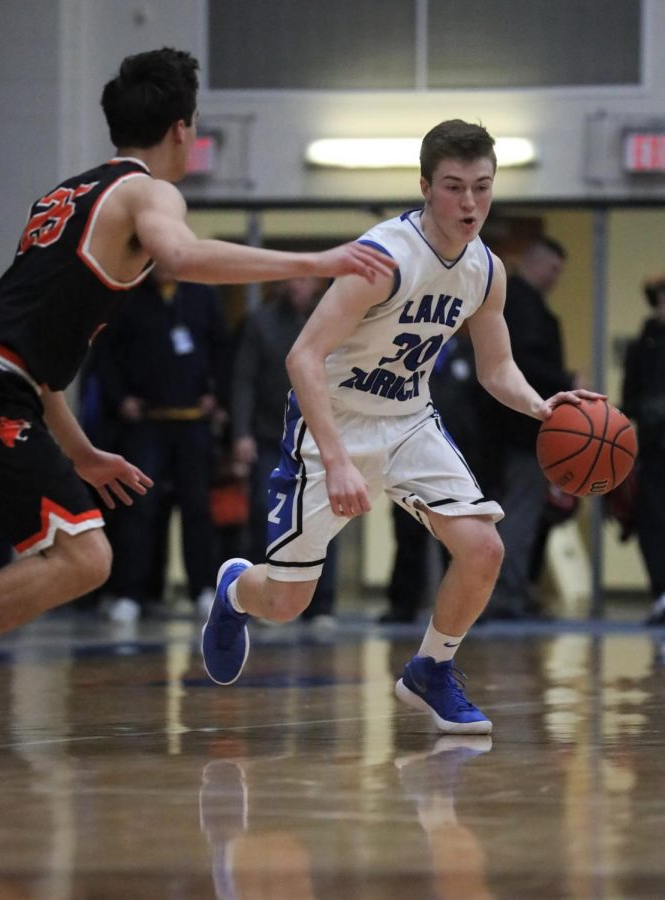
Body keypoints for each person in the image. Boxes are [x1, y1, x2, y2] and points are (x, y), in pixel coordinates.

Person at [0, 47, 396, 647]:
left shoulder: (64, 198)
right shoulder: (148, 194)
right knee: (85, 558)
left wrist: (83, 452)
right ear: (182, 129)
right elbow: (181, 256)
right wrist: (314, 258)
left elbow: (31, 365)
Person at [201, 119, 603, 734]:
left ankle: (430, 669)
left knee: (482, 547)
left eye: (482, 187)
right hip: (332, 422)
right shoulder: (382, 260)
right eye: (453, 187)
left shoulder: (487, 271)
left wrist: (544, 407)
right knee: (287, 601)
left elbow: (498, 370)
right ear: (424, 186)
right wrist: (336, 460)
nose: (470, 203)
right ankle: (234, 590)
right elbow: (301, 358)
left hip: (410, 420)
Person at [90, 269, 229, 623]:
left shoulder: (201, 295)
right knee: (139, 510)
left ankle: (203, 590)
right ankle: (130, 594)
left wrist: (218, 396)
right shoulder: (127, 296)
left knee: (197, 509)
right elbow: (104, 354)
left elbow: (221, 349)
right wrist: (120, 399)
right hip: (146, 423)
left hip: (192, 422)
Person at [231, 276, 338, 627]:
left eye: (306, 282)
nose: (301, 287)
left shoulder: (333, 317)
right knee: (267, 511)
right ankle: (266, 596)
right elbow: (243, 379)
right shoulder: (260, 322)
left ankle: (322, 606)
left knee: (326, 517)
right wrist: (241, 432)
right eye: (294, 280)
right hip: (269, 436)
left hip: (317, 438)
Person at [483, 237, 577, 620]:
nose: (556, 278)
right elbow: (518, 364)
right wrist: (565, 380)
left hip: (517, 426)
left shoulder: (519, 304)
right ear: (535, 263)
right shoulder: (519, 306)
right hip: (518, 428)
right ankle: (506, 594)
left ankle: (513, 589)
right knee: (517, 513)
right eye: (553, 269)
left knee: (521, 512)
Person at [380, 328, 493, 624]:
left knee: (459, 540)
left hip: (459, 463)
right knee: (407, 538)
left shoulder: (469, 356)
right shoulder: (409, 357)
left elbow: (483, 414)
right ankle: (402, 605)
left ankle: (466, 609)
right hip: (411, 461)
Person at [621, 274, 665, 625]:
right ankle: (660, 594)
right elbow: (628, 399)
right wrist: (648, 407)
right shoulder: (641, 346)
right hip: (653, 448)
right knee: (651, 523)